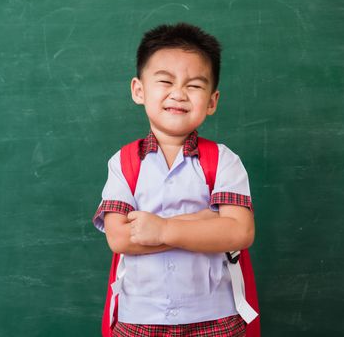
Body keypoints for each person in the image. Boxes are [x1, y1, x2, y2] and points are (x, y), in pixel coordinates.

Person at [92, 22, 256, 336]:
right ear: (138, 90)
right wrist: (204, 221)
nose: (178, 93)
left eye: (194, 85)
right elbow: (120, 239)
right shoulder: (123, 163)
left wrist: (162, 228)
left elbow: (240, 232)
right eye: (165, 81)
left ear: (212, 101)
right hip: (139, 318)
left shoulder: (224, 161)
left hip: (215, 316)